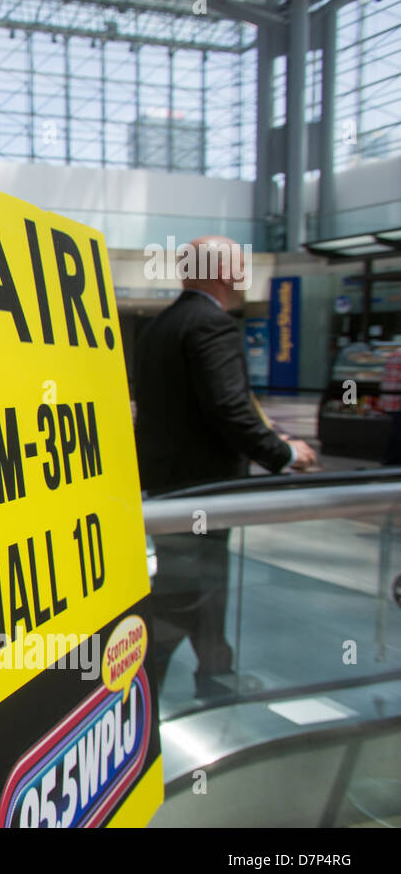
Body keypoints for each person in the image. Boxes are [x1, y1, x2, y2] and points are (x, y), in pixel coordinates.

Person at [134, 235, 317, 698]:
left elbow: (199, 408)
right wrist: (286, 454)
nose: (244, 274)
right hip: (205, 491)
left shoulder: (161, 326)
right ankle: (140, 682)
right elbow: (229, 410)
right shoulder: (211, 325)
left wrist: (271, 433)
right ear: (220, 271)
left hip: (168, 486)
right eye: (239, 264)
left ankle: (216, 676)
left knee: (205, 585)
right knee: (187, 591)